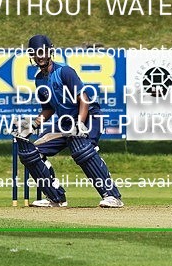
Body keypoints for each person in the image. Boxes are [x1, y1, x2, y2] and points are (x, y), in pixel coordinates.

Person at [11, 35, 123, 208]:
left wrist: (80, 123)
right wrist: (32, 125)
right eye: (35, 53)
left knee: (83, 150)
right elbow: (48, 109)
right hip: (66, 123)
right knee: (33, 154)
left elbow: (84, 99)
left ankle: (112, 196)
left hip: (90, 116)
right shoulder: (39, 79)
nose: (39, 56)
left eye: (42, 51)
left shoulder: (64, 71)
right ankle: (56, 198)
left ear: (50, 51)